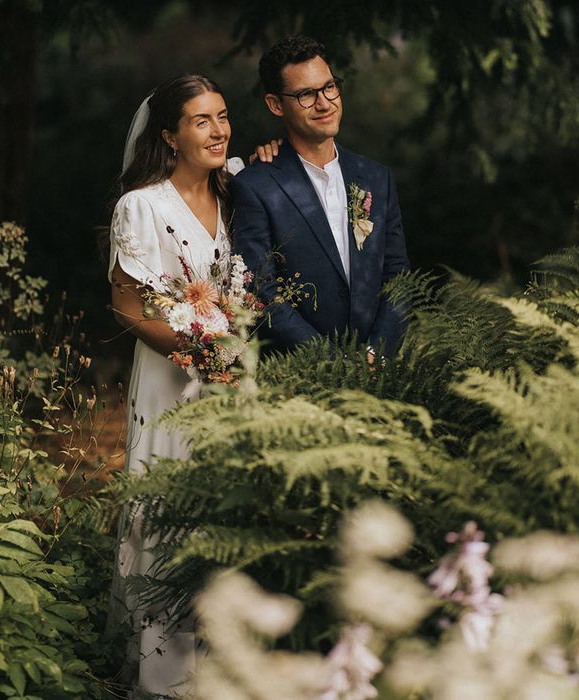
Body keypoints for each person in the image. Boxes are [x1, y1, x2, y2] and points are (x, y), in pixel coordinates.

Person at [106, 74, 243, 697]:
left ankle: (222, 663)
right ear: (169, 135)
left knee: (222, 509)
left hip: (232, 378)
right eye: (200, 121)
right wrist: (193, 351)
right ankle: (165, 674)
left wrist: (229, 354)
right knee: (167, 504)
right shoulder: (142, 205)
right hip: (169, 377)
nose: (217, 130)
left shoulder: (236, 195)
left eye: (222, 116)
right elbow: (129, 310)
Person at [231, 35, 410, 357]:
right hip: (299, 375)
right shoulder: (255, 186)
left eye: (329, 87)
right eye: (305, 94)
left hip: (378, 373)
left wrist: (377, 353)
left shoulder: (376, 177)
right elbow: (259, 290)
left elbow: (398, 275)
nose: (324, 102)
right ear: (275, 104)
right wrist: (332, 363)